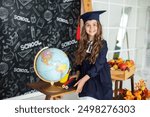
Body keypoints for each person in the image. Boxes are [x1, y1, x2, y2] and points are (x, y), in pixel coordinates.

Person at [70, 10, 113, 100]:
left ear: (98, 26)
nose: (91, 28)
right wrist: (78, 73)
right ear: (84, 27)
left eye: (94, 24)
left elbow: (99, 64)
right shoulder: (82, 43)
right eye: (88, 25)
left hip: (99, 76)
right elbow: (80, 61)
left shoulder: (102, 44)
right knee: (85, 97)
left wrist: (83, 80)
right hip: (86, 75)